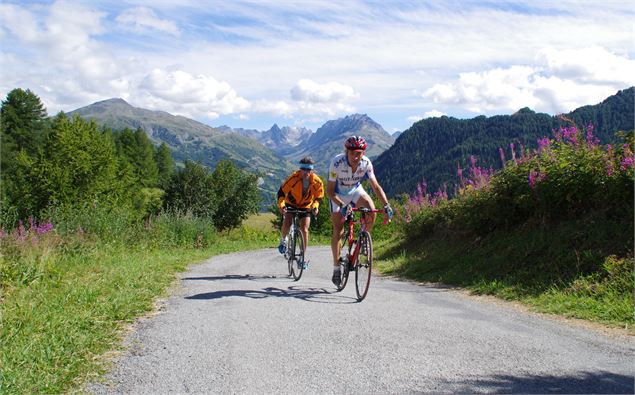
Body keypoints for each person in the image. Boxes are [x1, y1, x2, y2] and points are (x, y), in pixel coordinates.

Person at [327, 135, 393, 286]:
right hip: (337, 194)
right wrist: (342, 205)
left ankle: (363, 238)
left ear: (363, 153)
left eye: (359, 153)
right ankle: (336, 268)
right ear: (346, 152)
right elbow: (330, 191)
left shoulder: (366, 163)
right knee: (339, 230)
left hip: (355, 190)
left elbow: (375, 186)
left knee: (371, 208)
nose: (356, 157)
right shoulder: (336, 162)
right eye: (353, 153)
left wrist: (387, 205)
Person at [276, 156, 324, 268]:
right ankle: (283, 240)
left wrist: (315, 206)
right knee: (287, 222)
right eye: (303, 169)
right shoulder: (293, 177)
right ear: (300, 169)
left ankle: (302, 258)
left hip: (306, 205)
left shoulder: (317, 181)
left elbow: (319, 197)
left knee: (305, 230)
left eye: (308, 170)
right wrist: (281, 205)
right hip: (291, 204)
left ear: (312, 170)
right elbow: (281, 192)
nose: (306, 172)